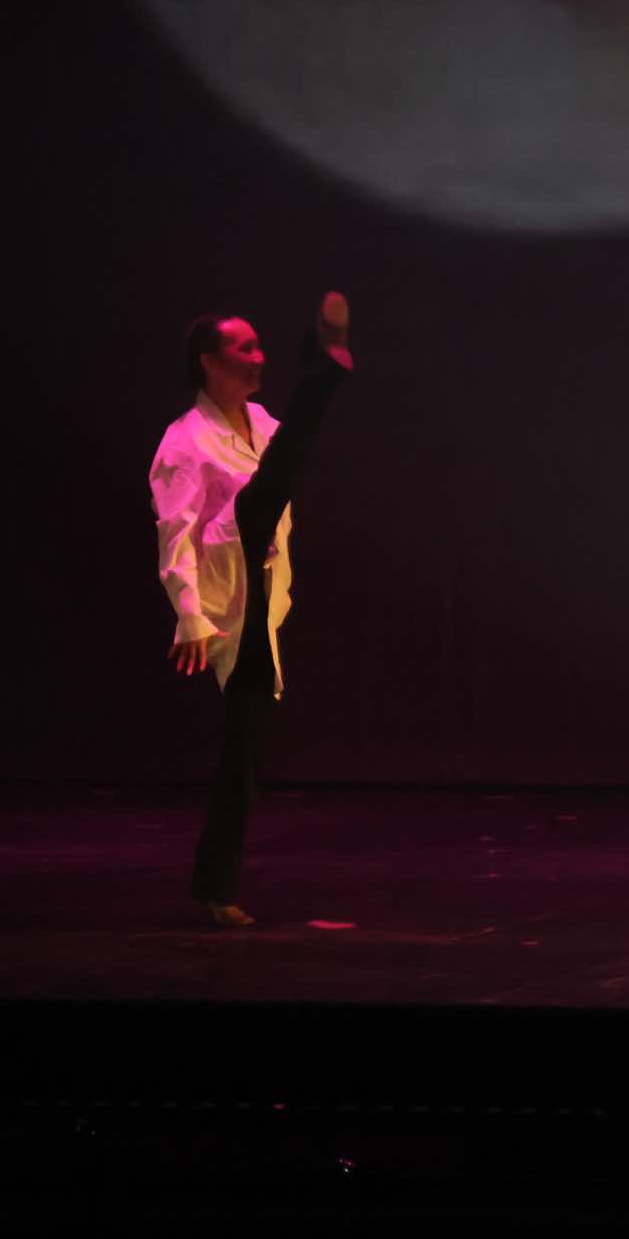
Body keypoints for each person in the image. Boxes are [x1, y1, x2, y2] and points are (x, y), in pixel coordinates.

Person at [150, 292, 355, 926]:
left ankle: (214, 888)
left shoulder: (260, 423)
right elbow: (174, 534)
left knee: (245, 751)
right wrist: (189, 615)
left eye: (260, 347)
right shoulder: (185, 442)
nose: (256, 357)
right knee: (265, 489)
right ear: (209, 363)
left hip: (260, 596)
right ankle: (322, 371)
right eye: (243, 348)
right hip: (227, 588)